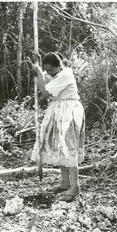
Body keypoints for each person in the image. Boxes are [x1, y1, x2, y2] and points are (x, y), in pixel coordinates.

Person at [31, 52, 85, 202]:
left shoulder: (65, 75)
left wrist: (39, 74)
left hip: (69, 112)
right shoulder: (55, 75)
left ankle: (75, 186)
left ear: (59, 66)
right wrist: (39, 69)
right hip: (58, 111)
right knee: (60, 146)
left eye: (51, 70)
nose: (49, 73)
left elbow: (46, 92)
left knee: (69, 146)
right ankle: (65, 182)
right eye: (46, 70)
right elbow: (46, 80)